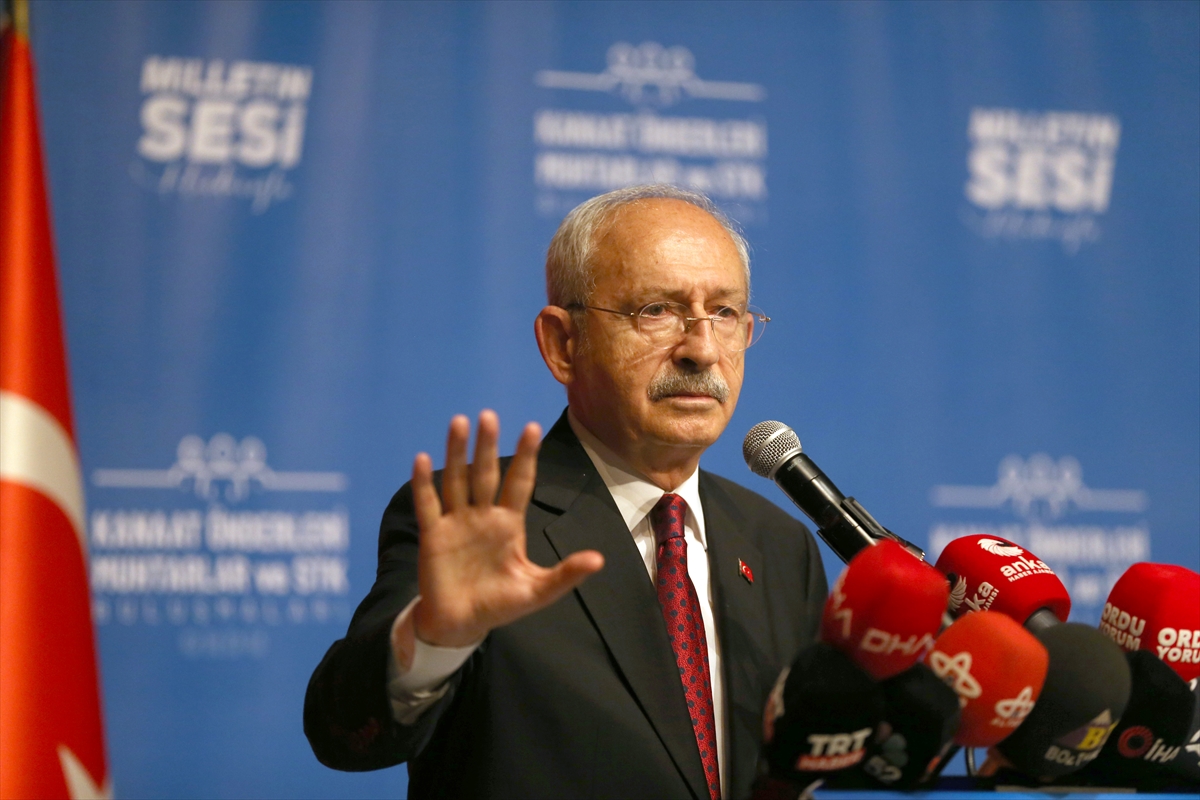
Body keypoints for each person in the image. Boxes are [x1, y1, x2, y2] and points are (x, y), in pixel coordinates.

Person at [304, 185, 828, 799]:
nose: (703, 349)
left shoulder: (778, 546)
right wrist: (433, 640)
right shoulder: (475, 518)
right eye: (656, 311)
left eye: (725, 313)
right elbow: (345, 731)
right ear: (562, 344)